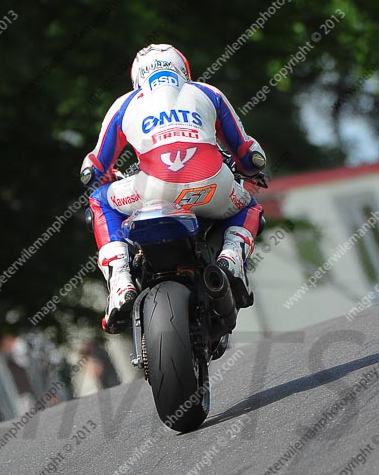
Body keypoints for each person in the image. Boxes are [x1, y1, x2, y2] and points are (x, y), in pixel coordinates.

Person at [81, 43, 266, 332]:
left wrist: (105, 179)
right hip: (213, 187)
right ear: (184, 70)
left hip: (151, 190)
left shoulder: (124, 103)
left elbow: (94, 167)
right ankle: (231, 256)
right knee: (250, 205)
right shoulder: (208, 92)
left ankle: (120, 280)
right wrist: (252, 169)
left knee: (100, 201)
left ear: (137, 77)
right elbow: (248, 153)